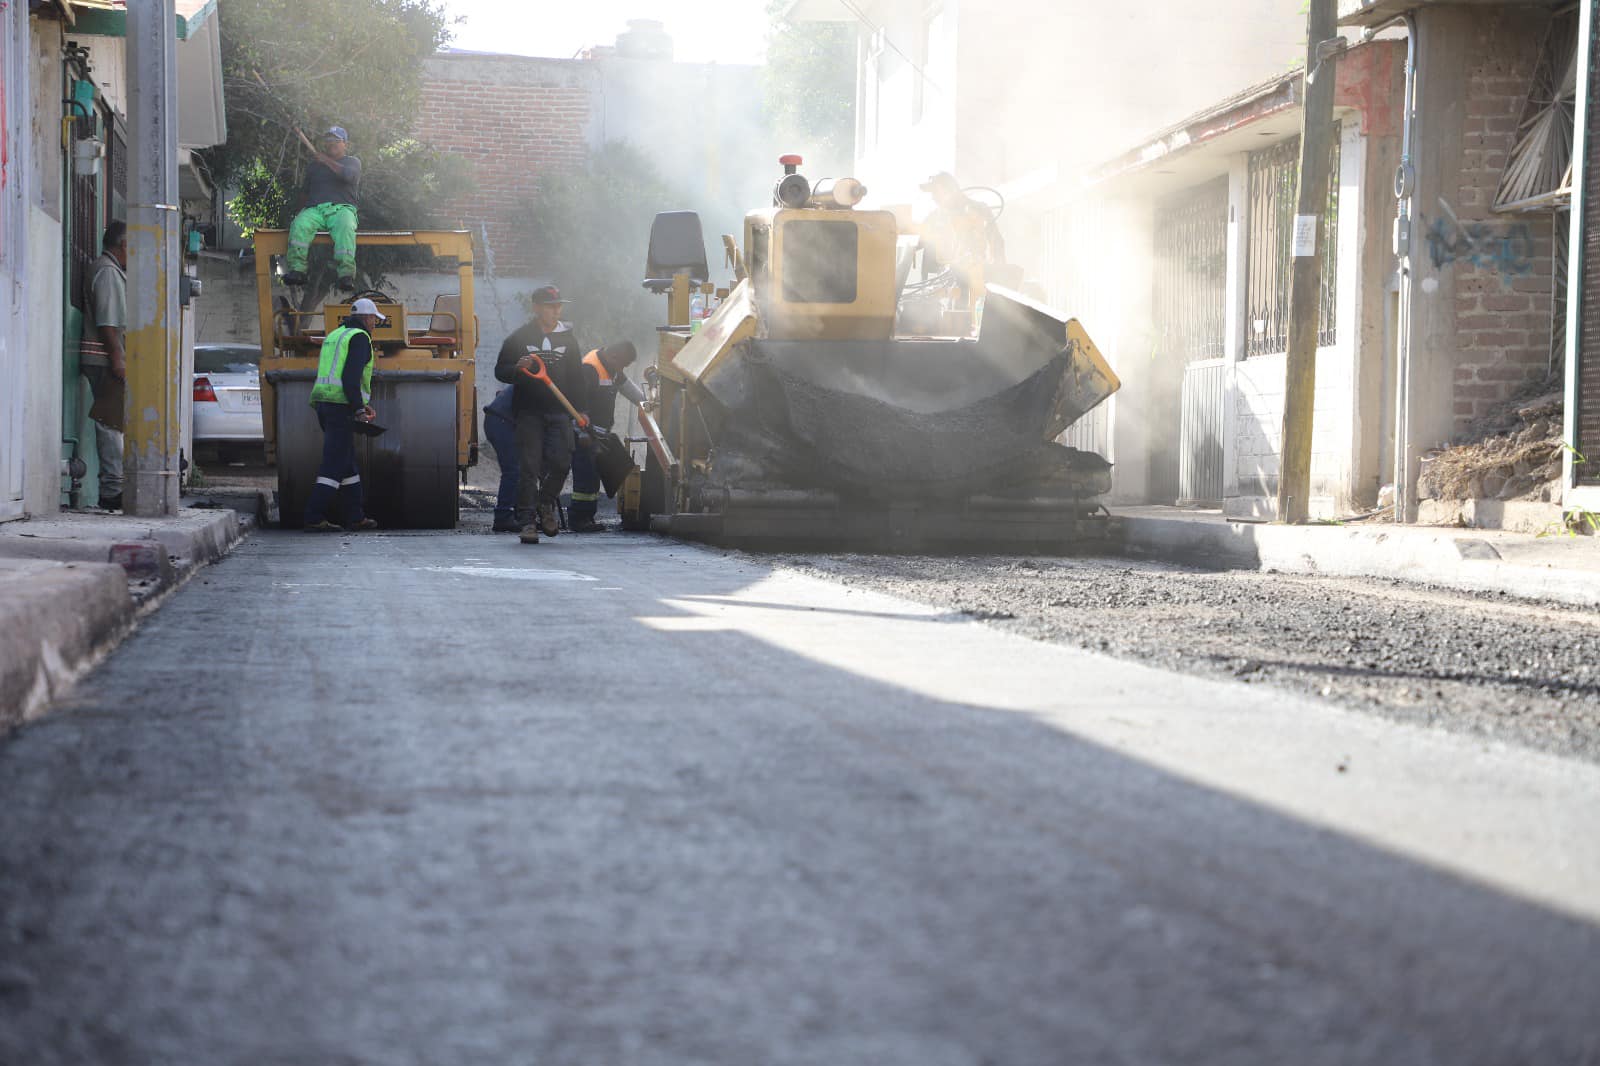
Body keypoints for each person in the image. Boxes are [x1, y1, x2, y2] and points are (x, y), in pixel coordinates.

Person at [493, 285, 586, 545]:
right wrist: (517, 369)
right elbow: (500, 370)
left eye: (558, 306)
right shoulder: (519, 338)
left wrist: (581, 409)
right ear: (536, 308)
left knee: (561, 462)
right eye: (550, 306)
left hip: (559, 413)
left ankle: (545, 505)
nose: (556, 311)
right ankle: (528, 521)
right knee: (529, 468)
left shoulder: (568, 339)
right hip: (528, 413)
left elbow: (577, 378)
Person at [303, 297, 384, 532]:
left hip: (324, 404)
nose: (375, 324)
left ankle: (355, 516)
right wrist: (358, 408)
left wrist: (358, 404)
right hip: (341, 407)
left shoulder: (335, 335)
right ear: (366, 318)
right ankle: (313, 516)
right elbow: (350, 377)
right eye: (374, 319)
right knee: (334, 464)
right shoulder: (360, 338)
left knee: (347, 464)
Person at [568, 341, 644, 533]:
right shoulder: (590, 368)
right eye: (624, 364)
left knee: (596, 474)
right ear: (615, 357)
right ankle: (578, 519)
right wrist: (582, 432)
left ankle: (587, 517)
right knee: (586, 477)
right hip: (584, 435)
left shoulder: (612, 367)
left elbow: (626, 386)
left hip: (598, 435)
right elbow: (577, 402)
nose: (623, 369)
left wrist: (647, 403)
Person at [79, 221, 127, 510]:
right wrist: (118, 359)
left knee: (115, 422)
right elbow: (107, 323)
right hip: (104, 358)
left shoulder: (111, 270)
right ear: (123, 245)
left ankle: (115, 486)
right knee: (111, 423)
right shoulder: (107, 271)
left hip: (107, 357)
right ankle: (112, 491)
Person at [282, 126, 362, 292]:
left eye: (336, 140)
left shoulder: (352, 162)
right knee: (299, 225)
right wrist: (299, 213)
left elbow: (349, 176)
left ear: (345, 144)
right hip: (315, 210)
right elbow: (305, 192)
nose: (331, 144)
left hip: (342, 209)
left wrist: (326, 161)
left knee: (346, 227)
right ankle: (298, 270)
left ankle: (345, 275)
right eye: (328, 141)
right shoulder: (313, 167)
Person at [917, 171, 1005, 292]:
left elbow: (997, 243)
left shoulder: (979, 210)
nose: (933, 198)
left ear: (950, 191)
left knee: (975, 308)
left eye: (936, 192)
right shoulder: (935, 217)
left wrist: (999, 280)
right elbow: (916, 242)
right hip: (944, 288)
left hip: (974, 285)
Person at [481, 383, 520, 533]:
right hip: (501, 421)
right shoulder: (542, 384)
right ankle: (503, 516)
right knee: (513, 470)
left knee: (517, 469)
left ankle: (514, 513)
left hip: (499, 419)